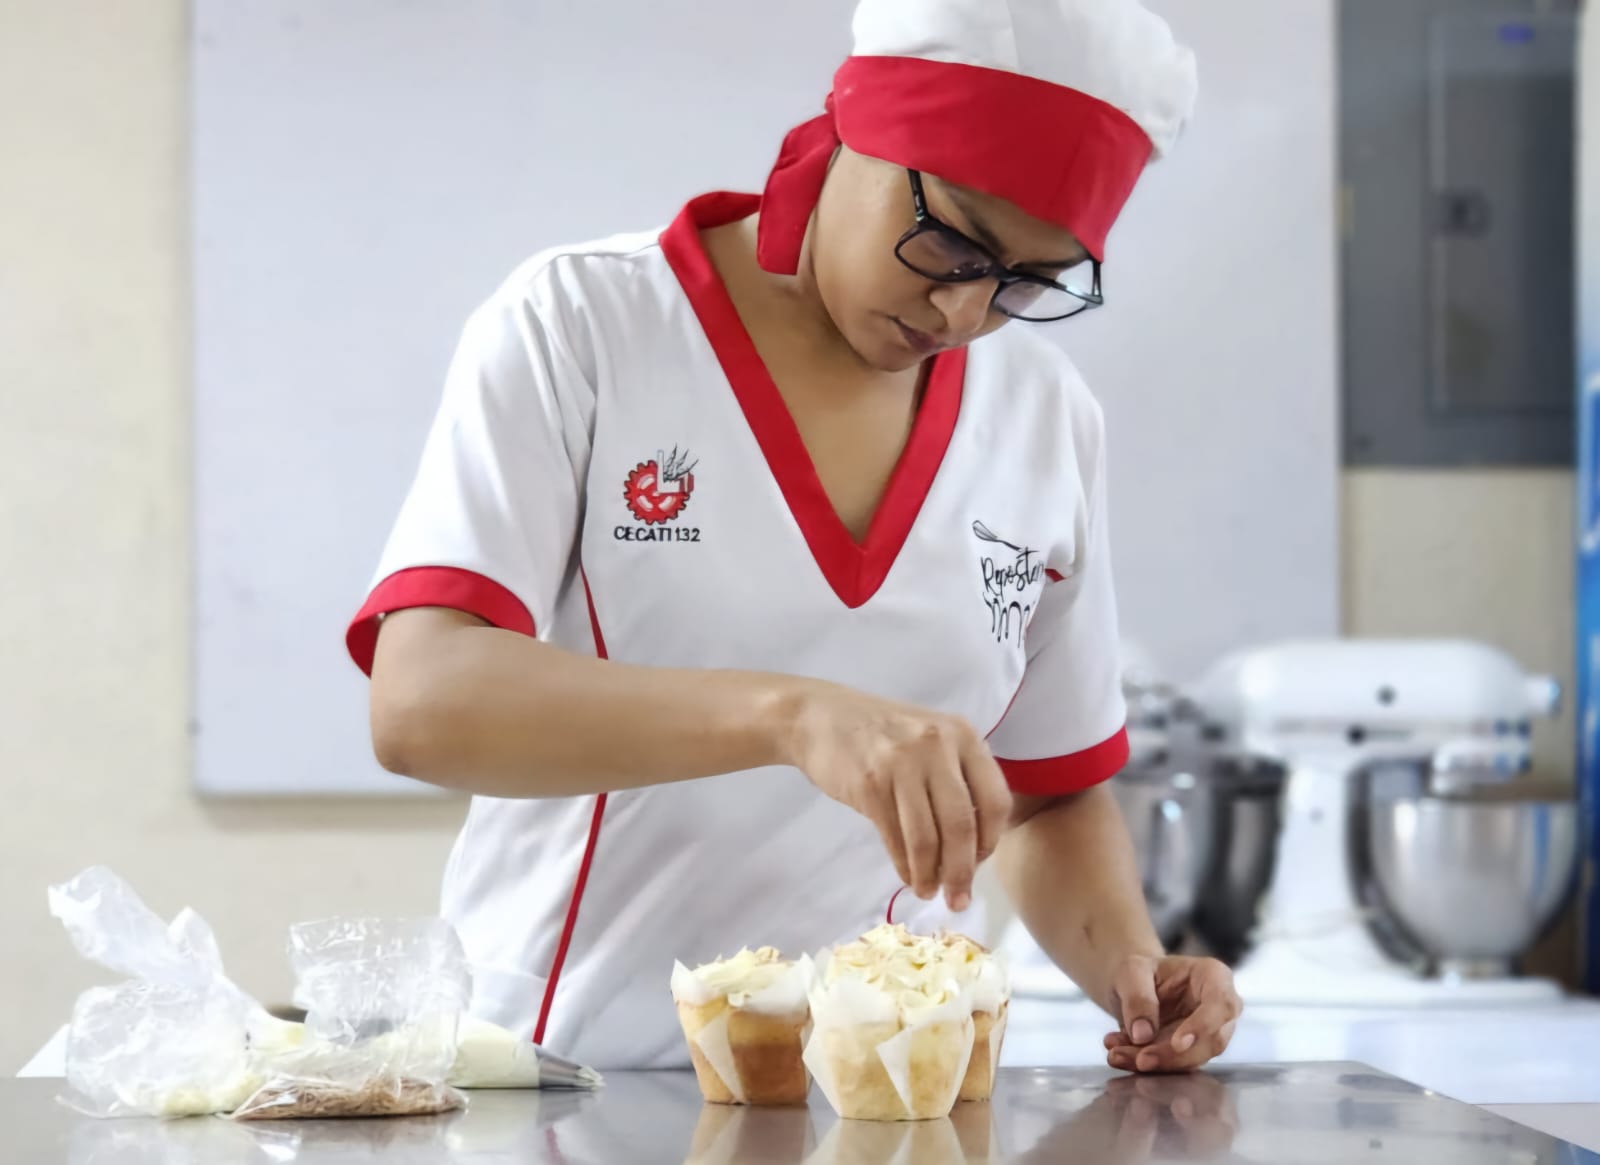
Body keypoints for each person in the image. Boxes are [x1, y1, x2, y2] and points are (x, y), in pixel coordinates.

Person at [347, 0, 1240, 1074]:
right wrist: (792, 716)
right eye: (952, 241)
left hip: (875, 1100)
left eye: (1028, 281)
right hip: (567, 1081)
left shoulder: (1043, 414)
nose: (963, 312)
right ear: (855, 127)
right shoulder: (585, 324)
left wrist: (1135, 968)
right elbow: (422, 703)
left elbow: (1046, 795)